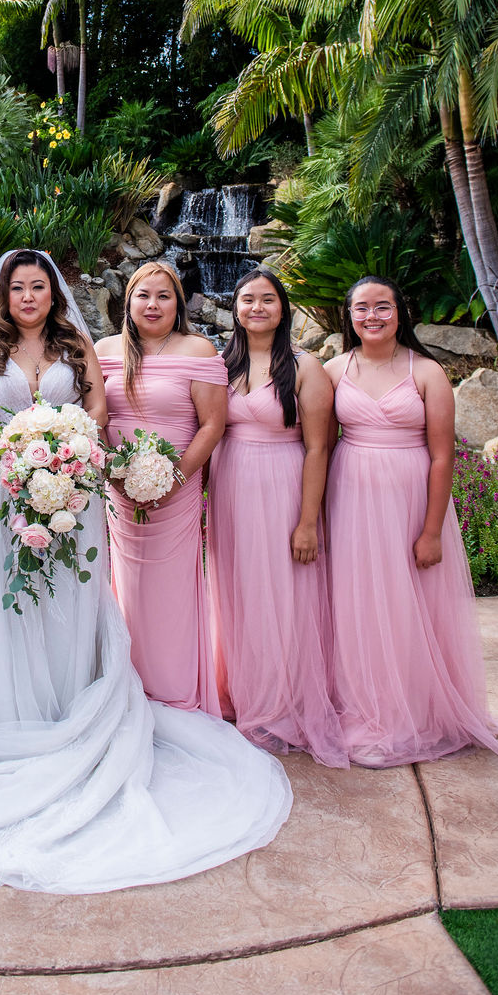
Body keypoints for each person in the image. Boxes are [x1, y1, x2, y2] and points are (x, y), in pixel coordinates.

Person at [0, 250, 292, 894]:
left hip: (71, 491)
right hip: (3, 489)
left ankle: (67, 698)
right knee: (3, 599)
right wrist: (17, 462)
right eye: (18, 288)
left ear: (54, 294)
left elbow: (99, 412)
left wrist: (63, 459)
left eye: (39, 287)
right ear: (4, 296)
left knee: (67, 602)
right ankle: (8, 709)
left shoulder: (78, 346)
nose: (28, 297)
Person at [323, 275, 498, 767]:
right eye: (362, 308)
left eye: (382, 306)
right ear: (349, 315)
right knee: (359, 601)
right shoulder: (335, 369)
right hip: (351, 497)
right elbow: (318, 443)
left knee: (410, 604)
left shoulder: (426, 372)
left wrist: (430, 531)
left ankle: (412, 709)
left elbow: (443, 456)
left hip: (409, 500)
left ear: (400, 312)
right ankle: (364, 703)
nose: (372, 316)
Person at [207, 268, 347, 768]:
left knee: (283, 594)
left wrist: (307, 522)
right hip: (231, 489)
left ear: (282, 308)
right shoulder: (221, 364)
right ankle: (242, 692)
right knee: (239, 590)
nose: (257, 308)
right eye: (248, 299)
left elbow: (319, 448)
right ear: (235, 308)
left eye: (268, 299)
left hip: (283, 485)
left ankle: (281, 702)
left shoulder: (305, 367)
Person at [96, 262, 227, 713]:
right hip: (119, 492)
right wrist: (115, 474)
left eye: (163, 296)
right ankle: (129, 685)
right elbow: (95, 418)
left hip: (178, 492)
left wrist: (174, 480)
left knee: (172, 591)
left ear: (178, 303)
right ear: (128, 301)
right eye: (143, 295)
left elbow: (212, 425)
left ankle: (174, 691)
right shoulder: (105, 349)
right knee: (128, 588)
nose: (152, 305)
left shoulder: (198, 349)